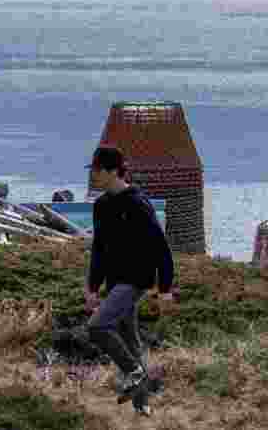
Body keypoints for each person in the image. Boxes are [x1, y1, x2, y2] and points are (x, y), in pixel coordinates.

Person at [83, 145, 175, 395]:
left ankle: (134, 375)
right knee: (129, 338)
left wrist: (165, 288)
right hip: (114, 281)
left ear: (113, 171)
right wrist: (92, 287)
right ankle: (148, 390)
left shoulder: (137, 203)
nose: (93, 175)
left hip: (135, 280)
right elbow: (99, 249)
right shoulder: (100, 205)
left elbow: (161, 247)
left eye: (98, 170)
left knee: (97, 327)